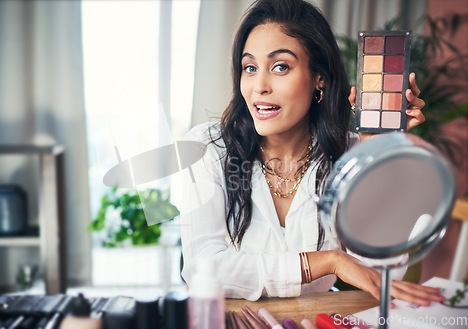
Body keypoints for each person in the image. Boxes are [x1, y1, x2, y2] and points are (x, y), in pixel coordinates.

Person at [179, 0, 442, 306]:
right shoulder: (208, 149)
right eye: (249, 67)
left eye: (280, 67)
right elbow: (202, 268)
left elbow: (385, 273)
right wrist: (326, 262)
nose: (259, 86)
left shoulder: (349, 154)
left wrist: (373, 153)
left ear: (319, 77)